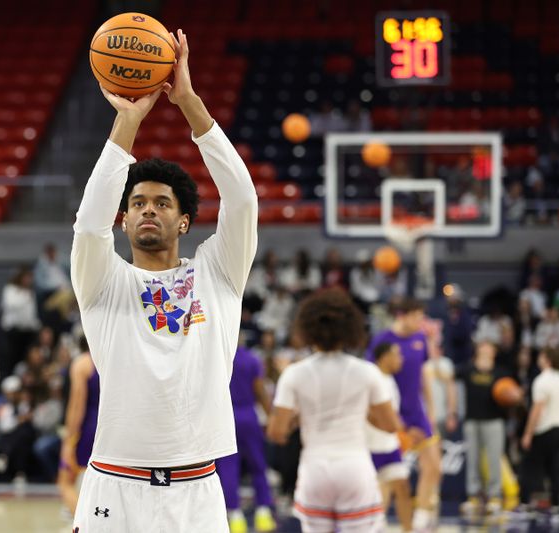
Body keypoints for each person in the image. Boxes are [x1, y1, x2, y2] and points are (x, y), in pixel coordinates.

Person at [69, 29, 258, 532]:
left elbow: (242, 201)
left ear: (183, 223)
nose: (147, 209)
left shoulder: (217, 274)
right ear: (123, 221)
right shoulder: (102, 281)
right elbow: (88, 224)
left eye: (161, 203)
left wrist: (191, 104)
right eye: (136, 203)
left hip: (197, 489)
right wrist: (126, 124)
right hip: (114, 483)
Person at [267, 289, 401, 533]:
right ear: (350, 328)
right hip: (354, 465)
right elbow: (391, 425)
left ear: (307, 328)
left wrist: (301, 416)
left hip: (314, 469)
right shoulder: (367, 372)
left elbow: (277, 433)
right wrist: (361, 410)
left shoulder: (294, 373)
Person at [367, 298, 442, 532]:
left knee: (434, 466)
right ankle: (378, 522)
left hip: (416, 411)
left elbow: (423, 375)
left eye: (422, 317)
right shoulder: (382, 340)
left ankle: (420, 514)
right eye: (417, 317)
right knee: (390, 475)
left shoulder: (420, 338)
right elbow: (371, 377)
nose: (421, 322)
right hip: (392, 413)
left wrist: (431, 409)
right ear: (402, 315)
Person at [217, 342, 276, 533]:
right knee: (258, 465)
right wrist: (271, 416)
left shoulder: (218, 357)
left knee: (227, 468)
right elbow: (259, 390)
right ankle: (264, 514)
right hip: (248, 415)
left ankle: (235, 517)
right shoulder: (251, 359)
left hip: (225, 416)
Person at [456, 342, 514, 517]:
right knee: (472, 459)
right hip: (472, 421)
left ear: (494, 352)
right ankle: (474, 495)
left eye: (490, 347)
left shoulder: (501, 372)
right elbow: (450, 376)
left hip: (494, 421)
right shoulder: (468, 369)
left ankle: (494, 496)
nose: (486, 349)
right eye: (483, 346)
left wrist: (513, 397)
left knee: (494, 458)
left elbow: (513, 394)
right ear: (478, 349)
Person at [366, 342, 414, 533]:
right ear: (384, 357)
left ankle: (408, 530)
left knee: (402, 487)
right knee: (372, 497)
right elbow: (365, 411)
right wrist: (387, 426)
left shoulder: (391, 380)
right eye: (397, 354)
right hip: (368, 447)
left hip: (390, 446)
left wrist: (402, 428)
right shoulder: (370, 377)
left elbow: (392, 414)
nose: (400, 359)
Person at [519, 347, 559, 515]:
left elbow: (537, 409)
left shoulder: (542, 380)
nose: (538, 358)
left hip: (543, 429)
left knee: (530, 466)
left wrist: (528, 433)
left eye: (541, 355)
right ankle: (556, 503)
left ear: (547, 359)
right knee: (556, 467)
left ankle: (525, 502)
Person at [58, 340, 99, 516]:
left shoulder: (83, 363)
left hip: (89, 429)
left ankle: (83, 524)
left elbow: (77, 406)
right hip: (113, 428)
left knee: (65, 482)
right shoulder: (119, 360)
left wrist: (69, 441)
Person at [0, 265, 40, 379]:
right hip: (13, 331)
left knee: (24, 359)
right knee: (11, 359)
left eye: (30, 278)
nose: (28, 280)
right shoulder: (10, 289)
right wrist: (24, 297)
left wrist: (36, 325)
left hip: (26, 331)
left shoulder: (30, 292)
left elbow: (31, 312)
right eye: (26, 277)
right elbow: (11, 305)